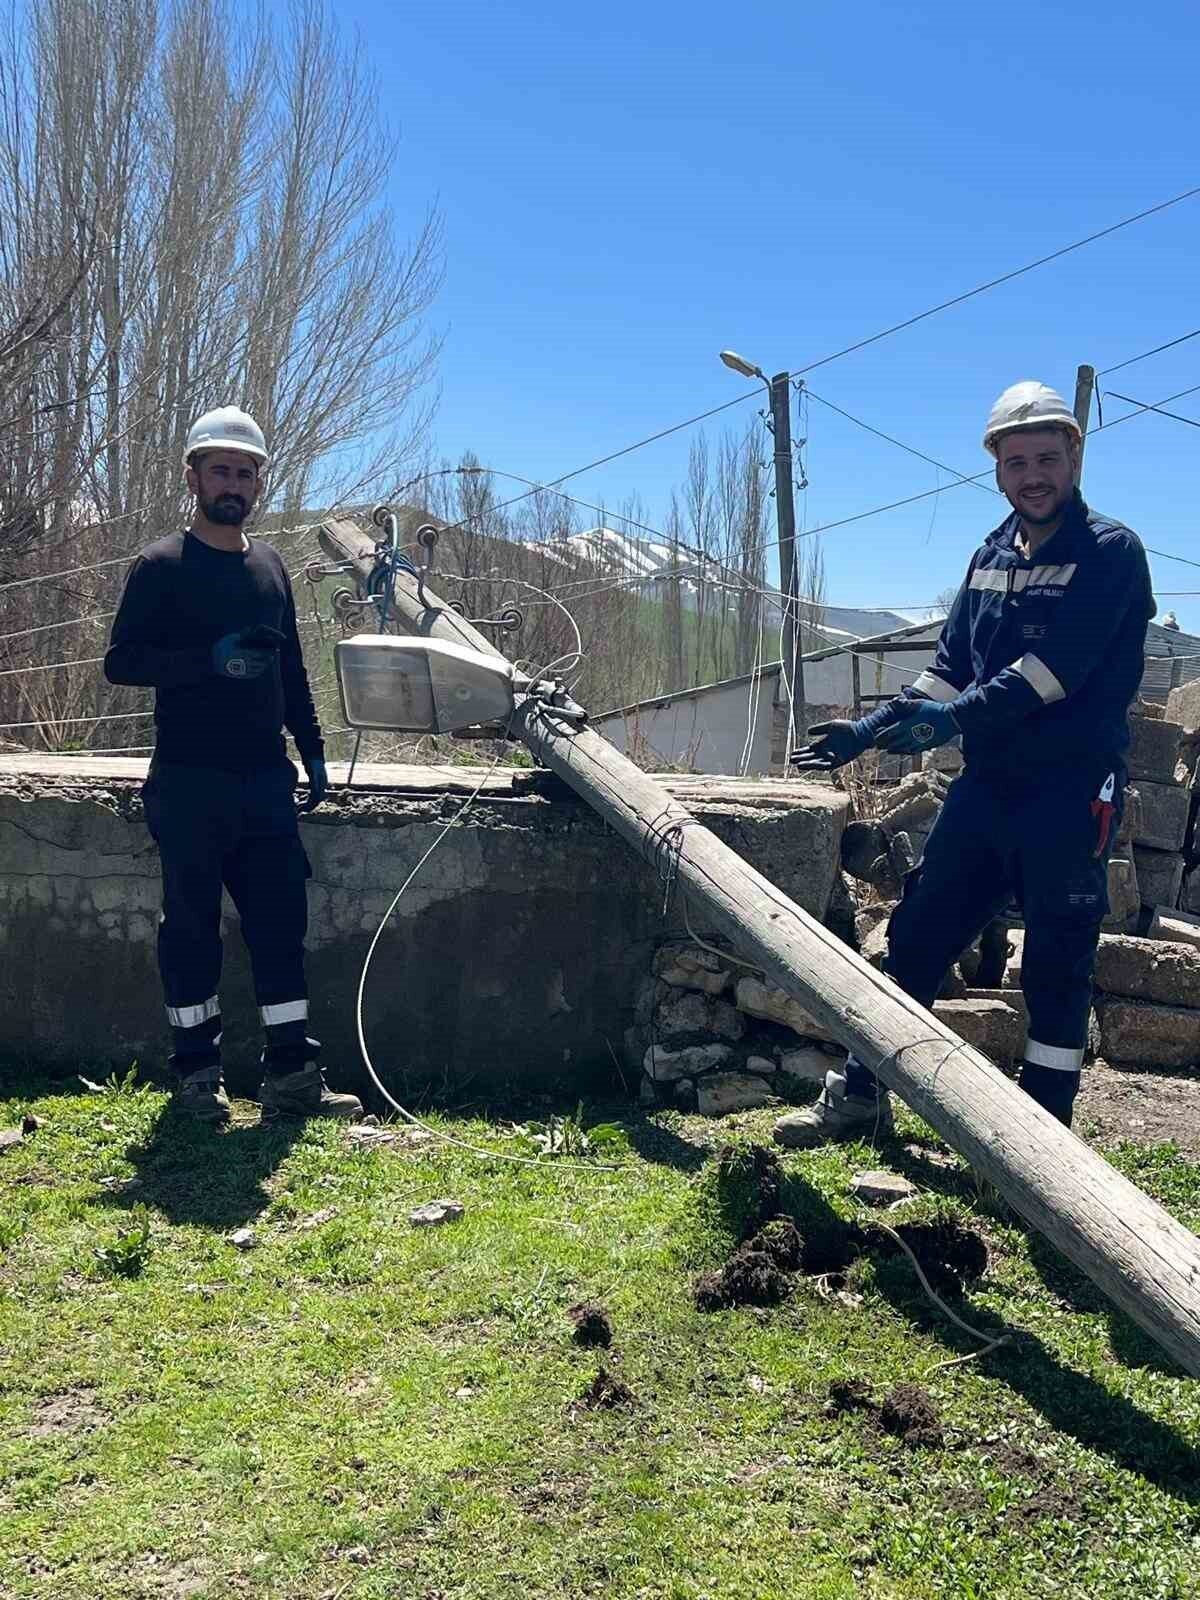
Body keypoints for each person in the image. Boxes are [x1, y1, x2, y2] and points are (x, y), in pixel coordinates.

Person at [780, 380, 1154, 1145]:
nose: (1032, 476)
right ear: (996, 469)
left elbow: (1054, 673)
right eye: (1016, 462)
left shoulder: (1111, 554)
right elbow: (948, 668)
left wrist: (946, 721)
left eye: (1046, 458)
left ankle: (1045, 1146)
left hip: (1071, 789)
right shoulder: (989, 556)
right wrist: (873, 726)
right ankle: (860, 1092)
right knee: (918, 935)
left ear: (1074, 457)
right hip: (988, 789)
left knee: (1055, 962)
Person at [105, 405, 362, 1125]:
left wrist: (310, 748)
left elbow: (290, 669)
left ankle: (290, 1075)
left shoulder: (269, 566)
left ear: (258, 484)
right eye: (220, 469)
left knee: (280, 925)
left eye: (245, 472)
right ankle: (198, 1077)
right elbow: (121, 662)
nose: (234, 483)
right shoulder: (160, 566)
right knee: (189, 928)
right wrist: (205, 663)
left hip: (263, 783)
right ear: (193, 476)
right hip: (189, 782)